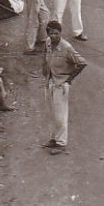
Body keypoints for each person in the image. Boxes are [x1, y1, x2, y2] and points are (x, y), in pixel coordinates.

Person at [41, 19, 88, 154]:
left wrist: (69, 80)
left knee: (60, 115)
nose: (54, 36)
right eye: (51, 34)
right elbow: (45, 57)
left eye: (57, 33)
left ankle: (61, 143)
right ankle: (54, 139)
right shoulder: (48, 43)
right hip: (50, 81)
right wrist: (45, 71)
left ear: (60, 33)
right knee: (52, 113)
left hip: (61, 84)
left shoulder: (66, 47)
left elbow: (82, 63)